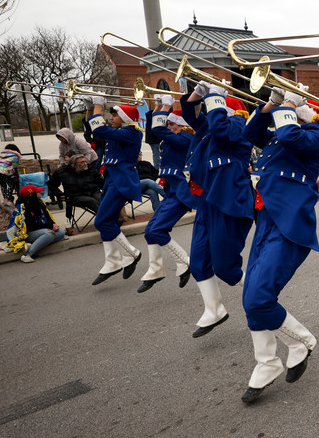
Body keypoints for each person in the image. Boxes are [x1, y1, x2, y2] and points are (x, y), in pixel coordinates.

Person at [238, 87, 319, 404]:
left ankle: (301, 341)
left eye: (289, 107)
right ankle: (266, 362)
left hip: (290, 225)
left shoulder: (316, 133)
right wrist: (272, 104)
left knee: (260, 297)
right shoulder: (280, 135)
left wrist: (289, 103)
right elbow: (251, 133)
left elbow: (292, 136)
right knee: (251, 297)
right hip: (266, 220)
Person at [180, 83, 254, 338]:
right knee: (199, 261)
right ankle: (215, 309)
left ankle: (259, 292)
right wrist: (199, 92)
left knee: (225, 267)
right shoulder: (209, 129)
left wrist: (216, 96)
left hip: (228, 201)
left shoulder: (238, 125)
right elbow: (189, 112)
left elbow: (221, 127)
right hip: (208, 202)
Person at [137, 98, 196, 293]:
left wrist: (167, 106)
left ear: (182, 125)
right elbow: (154, 133)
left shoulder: (186, 138)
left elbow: (158, 130)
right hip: (172, 190)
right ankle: (156, 269)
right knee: (150, 230)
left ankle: (186, 262)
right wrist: (158, 107)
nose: (167, 126)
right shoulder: (173, 138)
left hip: (181, 193)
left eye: (171, 123)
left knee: (156, 231)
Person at [87, 98, 144, 285]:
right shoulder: (120, 132)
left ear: (125, 117)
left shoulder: (131, 132)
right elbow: (92, 133)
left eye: (114, 114)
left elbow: (99, 129)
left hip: (122, 182)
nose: (111, 118)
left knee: (102, 221)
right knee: (108, 221)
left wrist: (97, 106)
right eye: (111, 114)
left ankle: (132, 253)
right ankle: (112, 261)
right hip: (113, 180)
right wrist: (90, 108)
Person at [0, 185, 67, 262]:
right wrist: (49, 227)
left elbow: (47, 216)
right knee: (49, 234)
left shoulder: (39, 202)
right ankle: (28, 254)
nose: (41, 193)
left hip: (42, 229)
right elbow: (29, 226)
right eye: (38, 192)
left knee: (61, 232)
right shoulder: (23, 207)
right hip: (28, 233)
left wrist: (53, 224)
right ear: (31, 194)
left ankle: (37, 243)